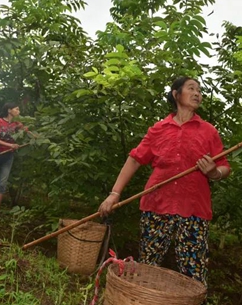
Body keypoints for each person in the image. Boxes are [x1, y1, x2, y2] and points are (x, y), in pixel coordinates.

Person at [98, 76, 230, 287]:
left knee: (194, 273)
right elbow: (134, 159)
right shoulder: (158, 129)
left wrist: (214, 173)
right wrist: (115, 193)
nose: (197, 93)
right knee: (148, 266)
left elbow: (224, 166)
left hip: (194, 210)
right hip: (156, 206)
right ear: (176, 94)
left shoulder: (208, 131)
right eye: (191, 88)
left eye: (199, 90)